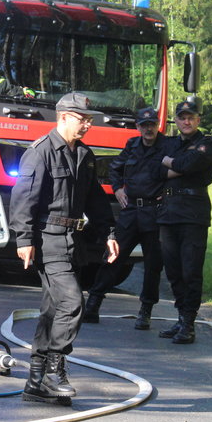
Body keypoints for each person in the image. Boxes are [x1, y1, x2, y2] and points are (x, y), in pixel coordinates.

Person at [10, 92, 119, 405]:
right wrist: (24, 239)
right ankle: (55, 370)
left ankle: (35, 382)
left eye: (89, 120)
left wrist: (109, 232)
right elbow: (24, 198)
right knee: (72, 302)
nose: (87, 125)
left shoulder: (84, 155)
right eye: (81, 119)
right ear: (62, 118)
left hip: (74, 241)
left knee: (54, 308)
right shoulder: (40, 152)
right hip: (48, 239)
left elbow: (96, 199)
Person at [83, 107, 165, 329]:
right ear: (138, 127)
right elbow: (114, 169)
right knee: (113, 256)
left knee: (153, 266)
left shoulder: (168, 146)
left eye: (152, 124)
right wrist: (118, 189)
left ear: (157, 125)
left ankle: (145, 312)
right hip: (131, 212)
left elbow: (178, 172)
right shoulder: (132, 145)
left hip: (156, 214)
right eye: (144, 125)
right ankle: (93, 304)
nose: (148, 129)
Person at [157, 97, 212, 344]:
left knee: (191, 269)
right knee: (172, 270)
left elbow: (189, 163)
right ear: (177, 120)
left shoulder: (207, 143)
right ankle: (181, 318)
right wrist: (176, 166)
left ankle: (190, 323)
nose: (186, 121)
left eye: (190, 117)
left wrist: (172, 164)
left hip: (194, 214)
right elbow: (156, 169)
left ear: (198, 119)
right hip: (169, 212)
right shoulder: (170, 144)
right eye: (182, 117)